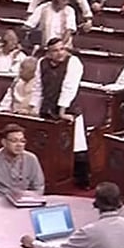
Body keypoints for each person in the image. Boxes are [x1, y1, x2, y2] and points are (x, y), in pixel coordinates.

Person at [33, 38, 89, 185]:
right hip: (47, 109)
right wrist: (34, 108)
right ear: (48, 53)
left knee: (76, 146)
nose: (59, 53)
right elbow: (38, 87)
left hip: (69, 109)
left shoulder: (73, 62)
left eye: (62, 49)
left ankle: (82, 180)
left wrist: (62, 111)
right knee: (48, 145)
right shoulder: (42, 63)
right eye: (55, 51)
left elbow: (69, 87)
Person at [0, 124, 45, 197]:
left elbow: (39, 187)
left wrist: (28, 198)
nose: (19, 145)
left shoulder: (32, 159)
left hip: (24, 201)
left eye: (22, 141)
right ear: (4, 142)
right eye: (14, 141)